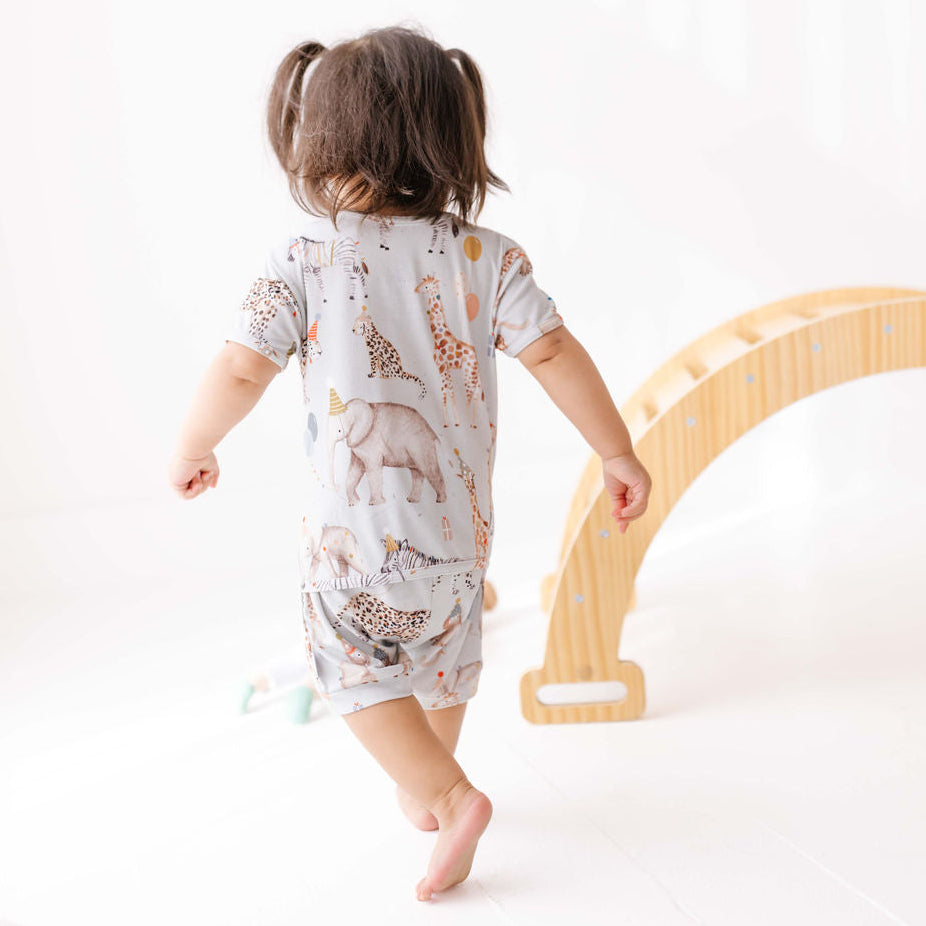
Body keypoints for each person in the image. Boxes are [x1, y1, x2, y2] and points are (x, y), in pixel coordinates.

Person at [167, 24, 652, 902]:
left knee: (350, 665)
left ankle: (450, 794)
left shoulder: (303, 261)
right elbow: (552, 352)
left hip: (357, 544)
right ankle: (429, 781)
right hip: (462, 537)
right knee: (441, 662)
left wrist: (195, 445)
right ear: (452, 138)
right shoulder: (486, 256)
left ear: (320, 140)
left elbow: (241, 365)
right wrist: (616, 452)